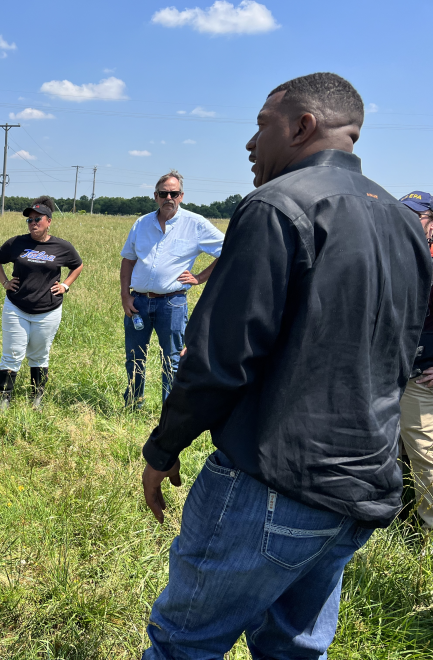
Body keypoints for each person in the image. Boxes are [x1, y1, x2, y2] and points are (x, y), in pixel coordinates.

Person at [139, 73, 432, 659]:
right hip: (361, 488)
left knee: (183, 645)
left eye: (261, 125)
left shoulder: (276, 206)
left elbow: (221, 360)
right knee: (295, 650)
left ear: (303, 126)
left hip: (272, 483)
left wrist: (162, 448)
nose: (250, 144)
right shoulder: (403, 223)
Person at [120, 170, 224, 409]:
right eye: (164, 193)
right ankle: (134, 404)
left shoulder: (195, 224)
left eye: (174, 193)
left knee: (172, 359)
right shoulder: (141, 223)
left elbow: (228, 248)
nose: (169, 197)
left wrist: (200, 277)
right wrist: (125, 295)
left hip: (172, 303)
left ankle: (170, 410)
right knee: (135, 357)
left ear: (181, 195)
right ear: (155, 196)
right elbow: (128, 259)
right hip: (138, 302)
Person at [0, 196, 83, 410]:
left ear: (48, 221)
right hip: (16, 308)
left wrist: (66, 285)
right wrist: (5, 281)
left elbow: (77, 265)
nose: (33, 223)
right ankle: (4, 398)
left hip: (48, 311)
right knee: (12, 353)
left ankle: (37, 398)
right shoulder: (16, 243)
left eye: (37, 219)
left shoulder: (62, 246)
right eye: (29, 220)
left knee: (39, 354)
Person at [398, 191, 433, 535]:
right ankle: (393, 519)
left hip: (420, 378)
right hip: (390, 374)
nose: (408, 221)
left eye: (417, 216)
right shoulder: (397, 255)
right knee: (392, 455)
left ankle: (429, 538)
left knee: (425, 459)